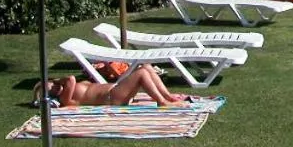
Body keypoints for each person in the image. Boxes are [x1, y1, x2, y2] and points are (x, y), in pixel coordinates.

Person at [34, 65, 189, 108]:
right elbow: (71, 79)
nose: (55, 88)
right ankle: (162, 102)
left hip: (116, 91)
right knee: (141, 73)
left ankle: (167, 96)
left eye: (53, 85)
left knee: (146, 67)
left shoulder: (70, 89)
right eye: (52, 90)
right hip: (112, 98)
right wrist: (58, 80)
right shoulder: (65, 99)